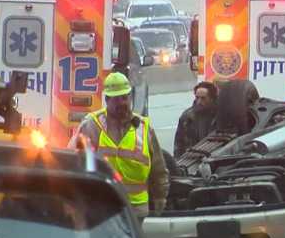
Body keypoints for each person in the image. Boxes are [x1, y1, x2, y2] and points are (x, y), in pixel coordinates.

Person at [70, 72, 169, 220]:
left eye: (125, 97)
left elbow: (158, 169)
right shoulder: (92, 126)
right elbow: (74, 164)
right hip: (102, 206)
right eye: (116, 99)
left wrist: (160, 197)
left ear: (130, 97)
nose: (122, 103)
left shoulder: (143, 128)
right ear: (107, 100)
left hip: (135, 210)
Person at [173, 81, 218, 158]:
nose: (199, 101)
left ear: (212, 98)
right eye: (197, 98)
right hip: (191, 160)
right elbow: (179, 143)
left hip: (215, 158)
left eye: (203, 98)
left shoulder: (221, 116)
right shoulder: (186, 117)